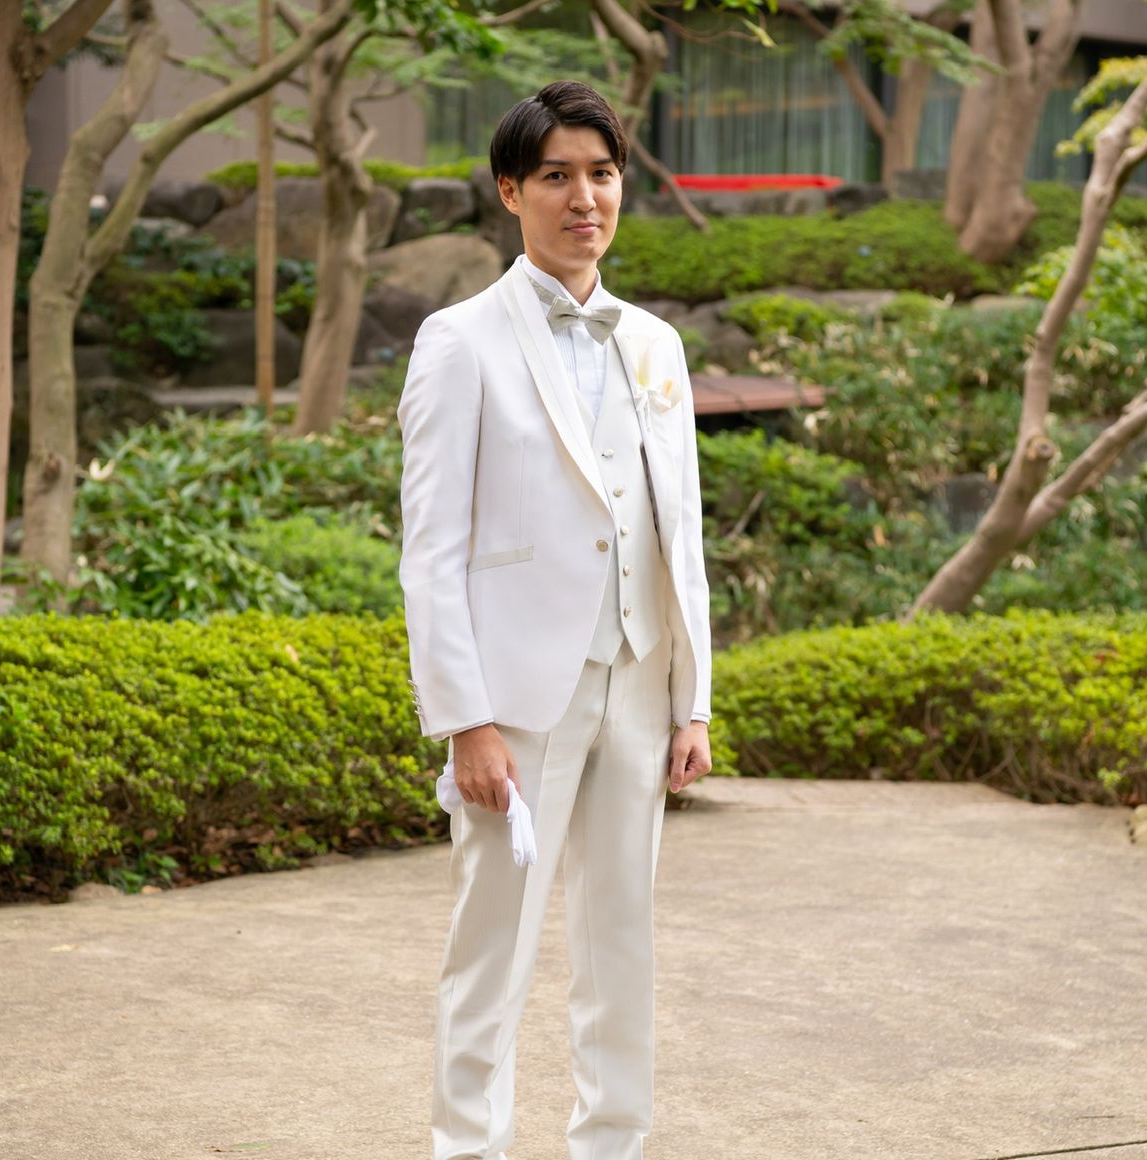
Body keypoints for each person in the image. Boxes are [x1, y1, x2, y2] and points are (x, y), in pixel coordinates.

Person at [398, 79, 713, 1160]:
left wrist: (692, 700)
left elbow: (680, 532)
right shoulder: (459, 340)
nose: (585, 198)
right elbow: (431, 551)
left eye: (603, 174)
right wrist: (465, 720)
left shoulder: (655, 344)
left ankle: (611, 1144)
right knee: (491, 949)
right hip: (518, 698)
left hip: (639, 681)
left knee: (622, 945)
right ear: (509, 191)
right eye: (557, 176)